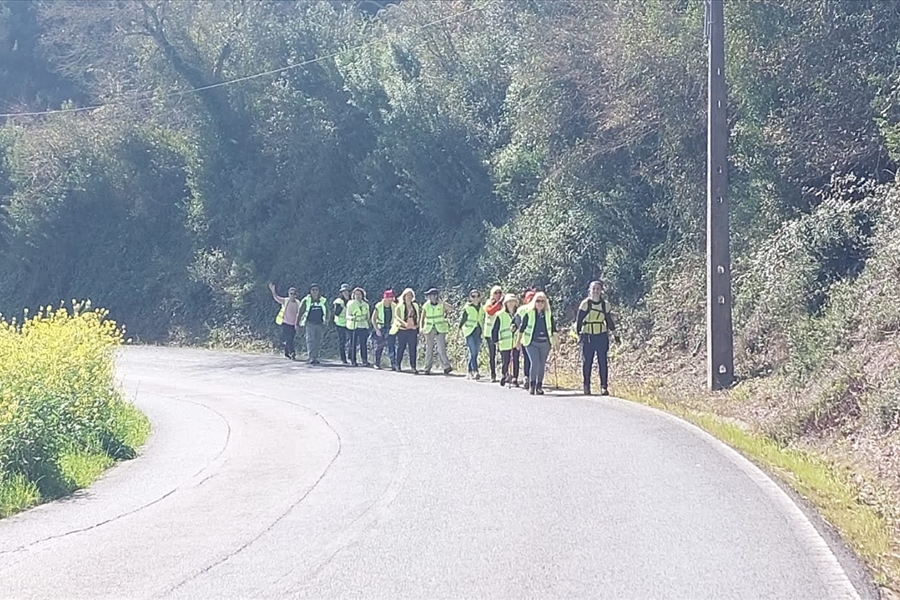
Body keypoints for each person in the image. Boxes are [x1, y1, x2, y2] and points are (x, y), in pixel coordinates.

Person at [577, 280, 620, 396]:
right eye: (594, 289)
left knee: (603, 362)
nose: (596, 291)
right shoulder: (585, 304)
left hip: (601, 335)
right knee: (587, 362)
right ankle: (586, 386)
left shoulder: (605, 305)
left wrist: (615, 334)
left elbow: (609, 320)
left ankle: (604, 387)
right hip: (587, 336)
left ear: (601, 291)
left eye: (598, 289)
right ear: (590, 290)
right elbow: (579, 321)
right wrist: (579, 335)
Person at [516, 292, 557, 395]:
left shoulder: (548, 314)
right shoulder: (528, 313)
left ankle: (539, 386)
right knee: (535, 363)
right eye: (538, 301)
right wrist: (518, 342)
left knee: (542, 364)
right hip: (531, 342)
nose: (540, 303)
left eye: (542, 301)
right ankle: (532, 385)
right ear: (534, 302)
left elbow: (553, 329)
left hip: (545, 343)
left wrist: (556, 341)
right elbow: (521, 329)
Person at [420, 288, 453, 375]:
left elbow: (451, 309)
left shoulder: (441, 304)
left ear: (435, 296)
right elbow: (422, 318)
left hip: (440, 328)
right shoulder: (426, 305)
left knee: (441, 349)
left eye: (430, 295)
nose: (429, 297)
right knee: (429, 349)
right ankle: (427, 368)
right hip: (429, 328)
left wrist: (443, 303)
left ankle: (446, 367)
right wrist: (421, 328)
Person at [491, 294, 519, 387]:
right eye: (509, 302)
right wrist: (495, 340)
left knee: (515, 360)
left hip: (516, 341)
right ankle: (504, 374)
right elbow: (495, 329)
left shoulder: (518, 314)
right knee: (505, 361)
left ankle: (515, 377)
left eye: (513, 301)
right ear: (505, 303)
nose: (511, 303)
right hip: (504, 342)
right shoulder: (500, 315)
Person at [269, 283, 301, 360]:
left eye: (294, 294)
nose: (292, 295)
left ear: (296, 295)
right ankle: (292, 352)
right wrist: (273, 291)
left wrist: (298, 323)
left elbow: (300, 313)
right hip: (286, 323)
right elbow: (276, 298)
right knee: (289, 338)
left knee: (291, 338)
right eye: (291, 294)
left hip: (294, 324)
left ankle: (287, 353)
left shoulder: (298, 303)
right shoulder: (285, 301)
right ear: (288, 294)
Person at [298, 283, 327, 365]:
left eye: (316, 290)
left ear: (319, 291)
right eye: (313, 290)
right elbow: (300, 311)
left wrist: (326, 320)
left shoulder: (323, 300)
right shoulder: (306, 300)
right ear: (310, 291)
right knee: (310, 340)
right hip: (309, 323)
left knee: (317, 341)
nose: (314, 292)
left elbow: (328, 311)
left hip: (319, 323)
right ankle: (311, 357)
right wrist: (297, 323)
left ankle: (315, 357)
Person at [393, 288, 420, 374]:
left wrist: (417, 325)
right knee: (401, 347)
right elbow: (397, 316)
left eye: (411, 295)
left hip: (412, 329)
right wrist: (404, 324)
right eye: (407, 295)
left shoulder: (415, 305)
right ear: (404, 296)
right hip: (402, 330)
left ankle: (413, 366)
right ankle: (397, 365)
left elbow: (418, 316)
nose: (409, 297)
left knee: (413, 348)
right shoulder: (400, 306)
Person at [459, 289, 485, 380]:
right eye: (473, 296)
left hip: (478, 331)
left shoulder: (482, 308)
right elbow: (462, 321)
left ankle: (469, 371)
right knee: (473, 351)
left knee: (475, 353)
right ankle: (475, 371)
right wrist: (458, 332)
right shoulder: (467, 308)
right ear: (470, 298)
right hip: (469, 331)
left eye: (477, 296)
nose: (475, 298)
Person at [514, 289, 536, 389]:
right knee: (527, 358)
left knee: (533, 359)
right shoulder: (521, 310)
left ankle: (531, 377)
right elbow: (517, 322)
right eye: (529, 298)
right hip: (525, 338)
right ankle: (527, 377)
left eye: (532, 298)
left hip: (535, 338)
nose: (531, 300)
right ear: (525, 300)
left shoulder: (539, 308)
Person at [371, 289, 398, 371]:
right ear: (385, 298)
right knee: (379, 346)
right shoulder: (378, 306)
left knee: (391, 346)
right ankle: (377, 363)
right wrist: (377, 330)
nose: (391, 299)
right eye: (390, 297)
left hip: (391, 328)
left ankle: (393, 364)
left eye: (392, 297)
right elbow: (373, 319)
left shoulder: (394, 306)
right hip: (381, 328)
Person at [483, 285, 503, 382]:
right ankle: (493, 374)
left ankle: (505, 374)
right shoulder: (488, 303)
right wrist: (499, 303)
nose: (498, 294)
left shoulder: (504, 304)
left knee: (504, 354)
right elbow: (490, 311)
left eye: (500, 292)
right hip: (490, 333)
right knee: (492, 354)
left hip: (501, 332)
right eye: (496, 293)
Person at [346, 287, 371, 367]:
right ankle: (353, 360)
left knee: (363, 343)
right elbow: (348, 315)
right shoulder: (350, 303)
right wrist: (353, 318)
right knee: (353, 343)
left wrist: (368, 322)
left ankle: (364, 360)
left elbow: (368, 315)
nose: (358, 296)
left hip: (363, 325)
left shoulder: (365, 304)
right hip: (354, 326)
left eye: (359, 294)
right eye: (356, 294)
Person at [332, 284, 352, 364]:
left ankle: (350, 356)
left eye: (347, 291)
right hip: (340, 323)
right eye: (344, 291)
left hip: (350, 323)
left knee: (352, 340)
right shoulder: (339, 301)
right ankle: (343, 358)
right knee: (342, 341)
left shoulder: (352, 300)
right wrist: (341, 307)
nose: (346, 293)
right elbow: (336, 313)